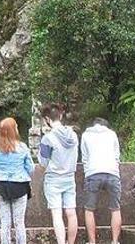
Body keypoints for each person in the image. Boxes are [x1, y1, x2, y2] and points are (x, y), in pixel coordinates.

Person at [0, 118, 34, 244]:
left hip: (0, 186)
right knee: (19, 222)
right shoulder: (22, 147)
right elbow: (31, 168)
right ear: (14, 130)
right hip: (20, 185)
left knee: (5, 222)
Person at [37, 104, 79, 244]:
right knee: (71, 212)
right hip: (69, 177)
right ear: (60, 116)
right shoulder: (73, 135)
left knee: (57, 213)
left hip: (53, 178)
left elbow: (43, 162)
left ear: (47, 119)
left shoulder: (47, 138)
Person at [81, 118, 122, 244]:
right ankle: (115, 241)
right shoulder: (112, 134)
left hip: (93, 173)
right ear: (106, 126)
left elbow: (85, 157)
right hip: (112, 173)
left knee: (89, 209)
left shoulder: (86, 135)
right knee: (115, 209)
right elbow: (117, 156)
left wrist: (88, 171)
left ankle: (92, 242)